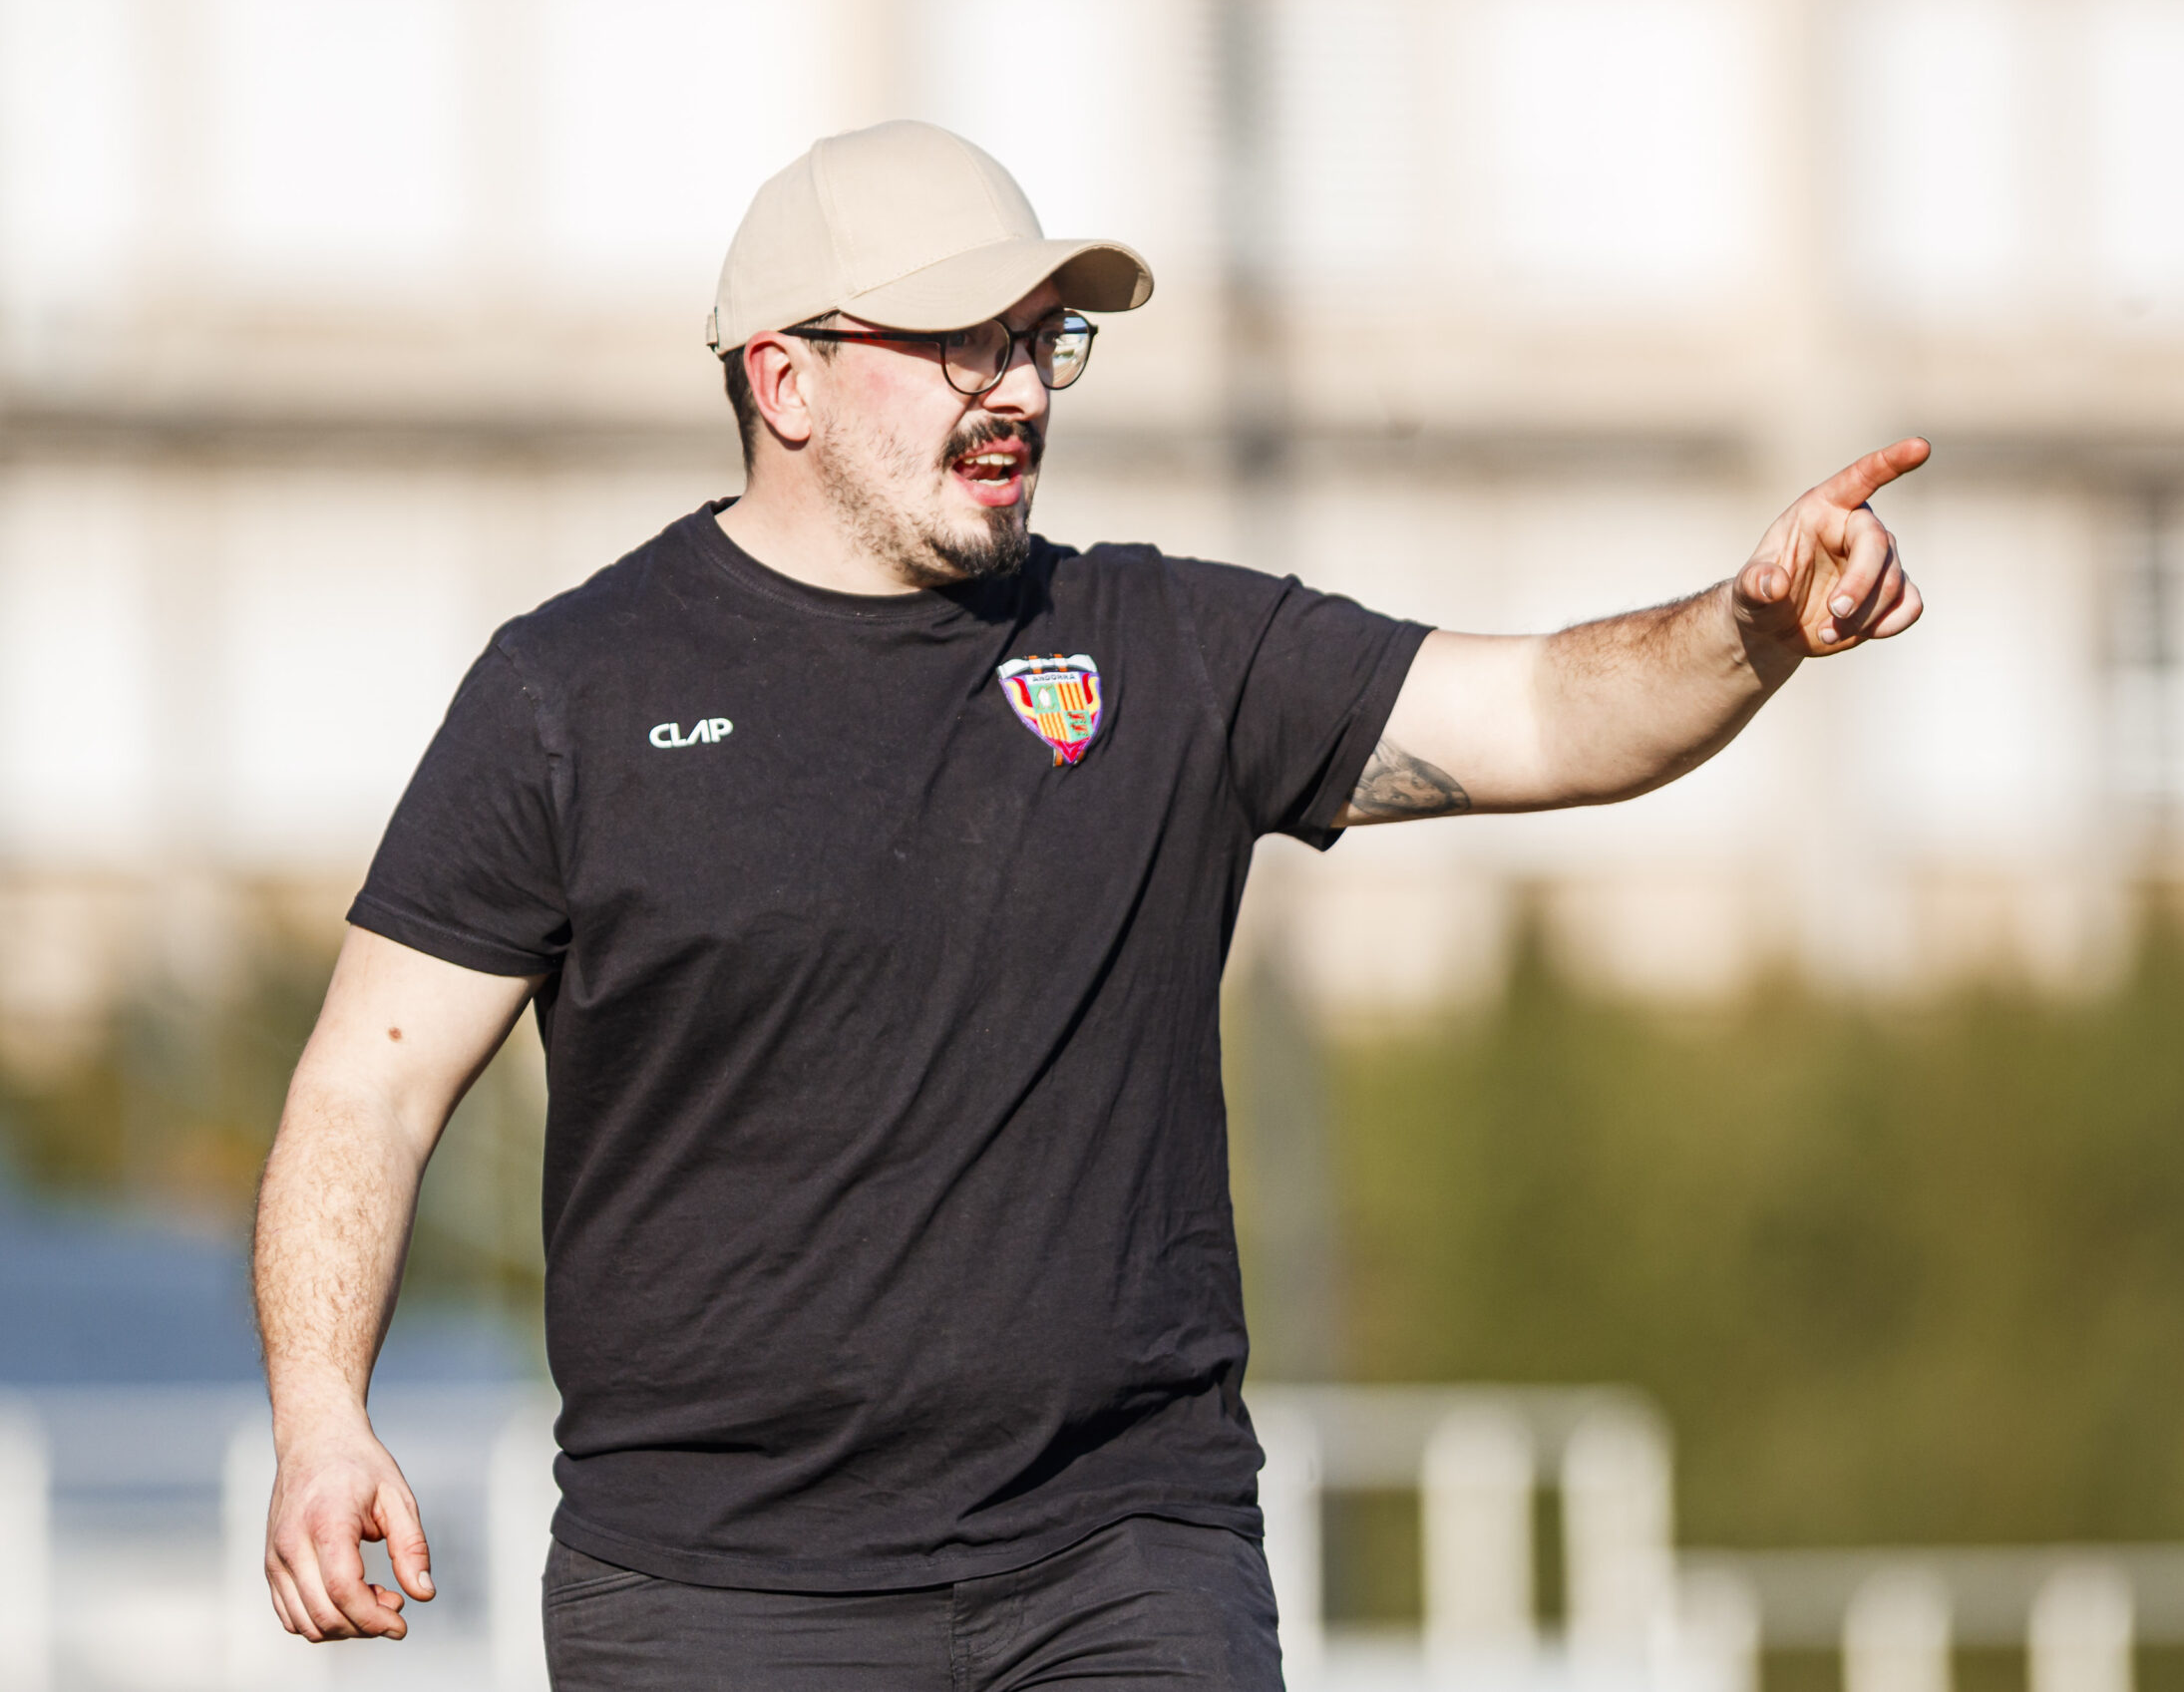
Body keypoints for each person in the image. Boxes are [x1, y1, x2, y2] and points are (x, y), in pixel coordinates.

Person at [250, 121, 1926, 1690]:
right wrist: (321, 1416)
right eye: (957, 343)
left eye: (1038, 341)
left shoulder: (1171, 648)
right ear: (784, 377)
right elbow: (368, 1090)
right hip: (713, 1593)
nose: (1014, 390)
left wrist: (1752, 626)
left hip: (1123, 1562)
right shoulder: (570, 693)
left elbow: (1549, 715)